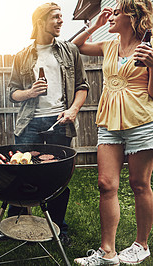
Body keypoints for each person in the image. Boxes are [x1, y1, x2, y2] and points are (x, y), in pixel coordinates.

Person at [72, 0, 153, 264]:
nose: (110, 16)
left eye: (116, 13)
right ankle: (108, 252)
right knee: (106, 184)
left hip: (141, 121)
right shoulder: (108, 46)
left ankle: (141, 245)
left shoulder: (148, 48)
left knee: (140, 185)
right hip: (109, 122)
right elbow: (75, 47)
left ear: (131, 17)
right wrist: (93, 25)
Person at [5, 2, 89, 244]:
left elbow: (82, 86)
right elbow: (12, 93)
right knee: (20, 172)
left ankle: (56, 228)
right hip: (29, 122)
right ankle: (14, 224)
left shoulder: (70, 51)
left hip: (59, 121)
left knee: (57, 176)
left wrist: (72, 110)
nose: (61, 21)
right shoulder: (22, 56)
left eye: (61, 16)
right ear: (40, 22)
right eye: (55, 17)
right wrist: (29, 92)